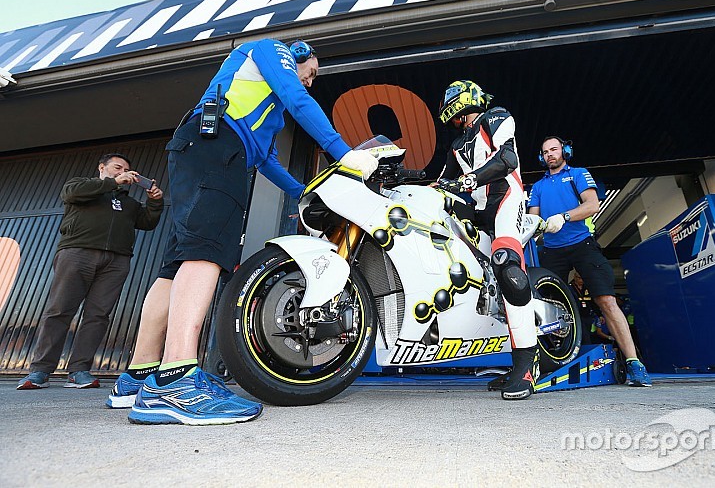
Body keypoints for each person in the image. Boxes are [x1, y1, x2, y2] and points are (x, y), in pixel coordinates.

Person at [113, 39, 378, 425]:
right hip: (217, 146)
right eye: (313, 72)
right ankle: (175, 382)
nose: (311, 81)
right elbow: (296, 97)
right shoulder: (273, 51)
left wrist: (304, 194)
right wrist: (344, 153)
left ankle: (138, 377)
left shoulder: (264, 109)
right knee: (205, 254)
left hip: (202, 147)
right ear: (300, 56)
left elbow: (268, 160)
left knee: (177, 265)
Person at [17, 154, 164, 390]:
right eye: (117, 167)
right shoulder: (80, 186)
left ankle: (79, 370)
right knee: (60, 310)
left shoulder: (129, 203)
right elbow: (71, 194)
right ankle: (40, 370)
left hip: (116, 261)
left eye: (126, 169)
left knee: (98, 316)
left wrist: (155, 202)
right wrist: (114, 182)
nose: (123, 172)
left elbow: (147, 223)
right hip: (77, 254)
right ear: (101, 167)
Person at [435, 80, 539, 400]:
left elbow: (507, 159)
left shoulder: (495, 116)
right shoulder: (456, 144)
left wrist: (468, 180)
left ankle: (525, 366)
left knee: (507, 265)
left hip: (507, 200)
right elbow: (443, 183)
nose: (452, 109)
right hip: (478, 211)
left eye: (453, 98)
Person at [527, 136, 652, 386]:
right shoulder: (538, 187)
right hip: (551, 251)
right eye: (545, 152)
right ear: (542, 157)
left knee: (606, 300)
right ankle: (547, 362)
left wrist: (564, 216)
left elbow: (592, 205)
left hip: (583, 245)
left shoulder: (578, 174)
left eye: (554, 149)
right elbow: (533, 219)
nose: (550, 154)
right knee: (545, 306)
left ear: (564, 151)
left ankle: (633, 362)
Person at [568, 270, 595, 345]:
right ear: (575, 277)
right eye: (579, 278)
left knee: (589, 334)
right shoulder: (570, 287)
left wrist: (599, 314)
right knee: (584, 337)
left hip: (588, 315)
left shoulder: (587, 287)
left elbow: (593, 302)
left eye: (583, 278)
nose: (581, 280)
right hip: (577, 316)